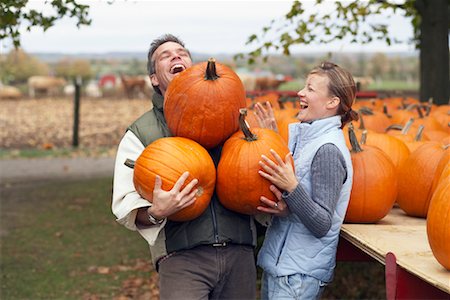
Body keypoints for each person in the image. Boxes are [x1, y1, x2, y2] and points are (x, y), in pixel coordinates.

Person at [111, 34, 260, 300]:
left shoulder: (233, 118)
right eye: (166, 56)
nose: (176, 56)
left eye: (182, 52)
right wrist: (156, 212)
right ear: (154, 78)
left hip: (240, 253)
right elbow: (126, 204)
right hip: (182, 260)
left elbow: (253, 177)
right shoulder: (141, 132)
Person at [253, 62, 359, 299]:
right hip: (283, 266)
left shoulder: (328, 151)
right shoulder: (307, 138)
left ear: (332, 102)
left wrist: (292, 187)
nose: (300, 93)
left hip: (298, 277)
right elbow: (300, 197)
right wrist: (273, 138)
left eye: (310, 89)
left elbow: (322, 223)